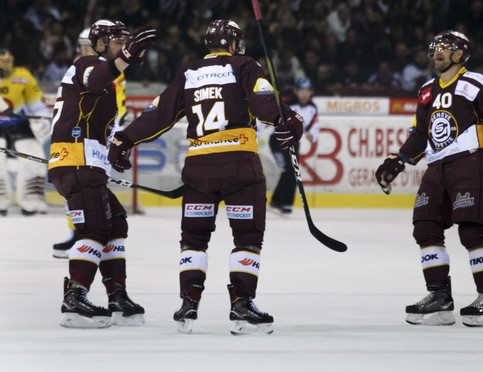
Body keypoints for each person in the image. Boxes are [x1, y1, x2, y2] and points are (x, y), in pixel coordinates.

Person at [107, 19, 303, 335]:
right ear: (235, 44)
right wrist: (288, 118)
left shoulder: (189, 71)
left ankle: (188, 301)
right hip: (240, 167)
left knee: (194, 239)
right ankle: (242, 305)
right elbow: (265, 103)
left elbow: (159, 115)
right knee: (247, 239)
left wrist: (123, 139)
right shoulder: (245, 65)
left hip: (199, 169)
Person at [375, 30, 483, 327]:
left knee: (471, 230)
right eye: (435, 47)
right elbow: (420, 134)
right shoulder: (426, 90)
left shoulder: (476, 83)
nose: (438, 52)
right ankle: (439, 297)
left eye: (446, 47)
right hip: (437, 167)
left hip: (472, 162)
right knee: (424, 225)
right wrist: (397, 161)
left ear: (461, 54)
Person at [48, 19, 156, 328]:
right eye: (117, 40)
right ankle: (75, 297)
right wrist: (128, 56)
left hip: (86, 161)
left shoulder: (107, 77)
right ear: (99, 44)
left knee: (116, 221)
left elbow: (97, 120)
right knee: (94, 228)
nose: (123, 44)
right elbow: (96, 77)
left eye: (126, 40)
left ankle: (117, 295)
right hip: (76, 161)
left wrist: (114, 150)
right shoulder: (88, 63)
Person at [52, 28, 130, 258]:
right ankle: (80, 235)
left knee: (92, 198)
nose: (82, 49)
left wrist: (117, 134)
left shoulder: (98, 67)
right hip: (85, 143)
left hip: (97, 138)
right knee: (86, 197)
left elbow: (115, 106)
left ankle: (84, 235)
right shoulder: (90, 65)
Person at [0, 48, 50, 216]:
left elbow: (37, 103)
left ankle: (32, 201)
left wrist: (41, 119)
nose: (6, 65)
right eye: (3, 61)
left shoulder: (22, 76)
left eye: (8, 61)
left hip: (20, 125)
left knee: (34, 159)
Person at [269, 78, 319, 214]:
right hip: (278, 141)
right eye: (301, 90)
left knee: (292, 171)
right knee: (288, 170)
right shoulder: (286, 104)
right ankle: (282, 202)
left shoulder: (312, 108)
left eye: (307, 91)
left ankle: (279, 201)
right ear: (296, 91)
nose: (304, 94)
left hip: (294, 142)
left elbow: (314, 125)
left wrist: (311, 134)